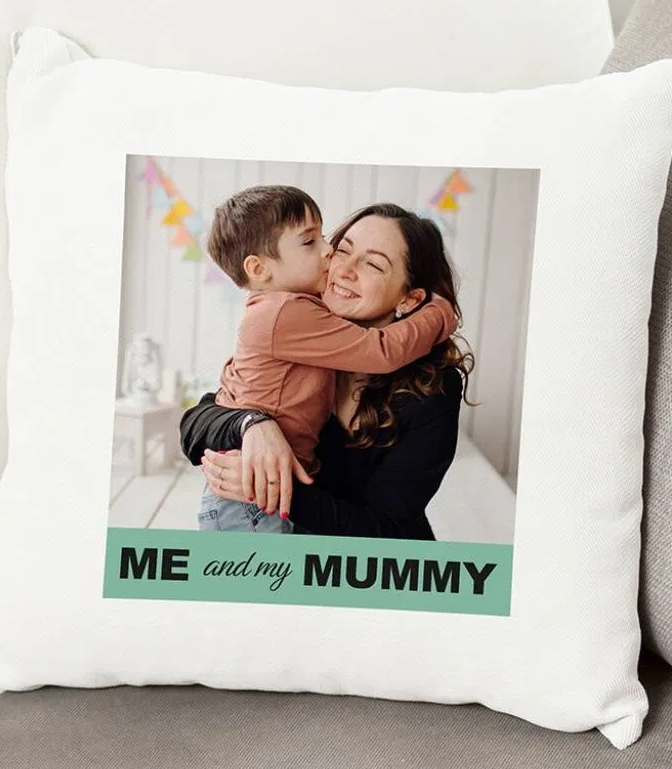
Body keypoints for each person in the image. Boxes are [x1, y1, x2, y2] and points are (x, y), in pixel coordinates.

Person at [181, 202, 474, 540]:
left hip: (371, 572)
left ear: (408, 299)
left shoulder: (432, 390)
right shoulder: (298, 332)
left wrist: (275, 489)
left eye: (373, 265)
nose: (344, 270)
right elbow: (196, 423)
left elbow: (389, 526)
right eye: (342, 251)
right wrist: (253, 424)